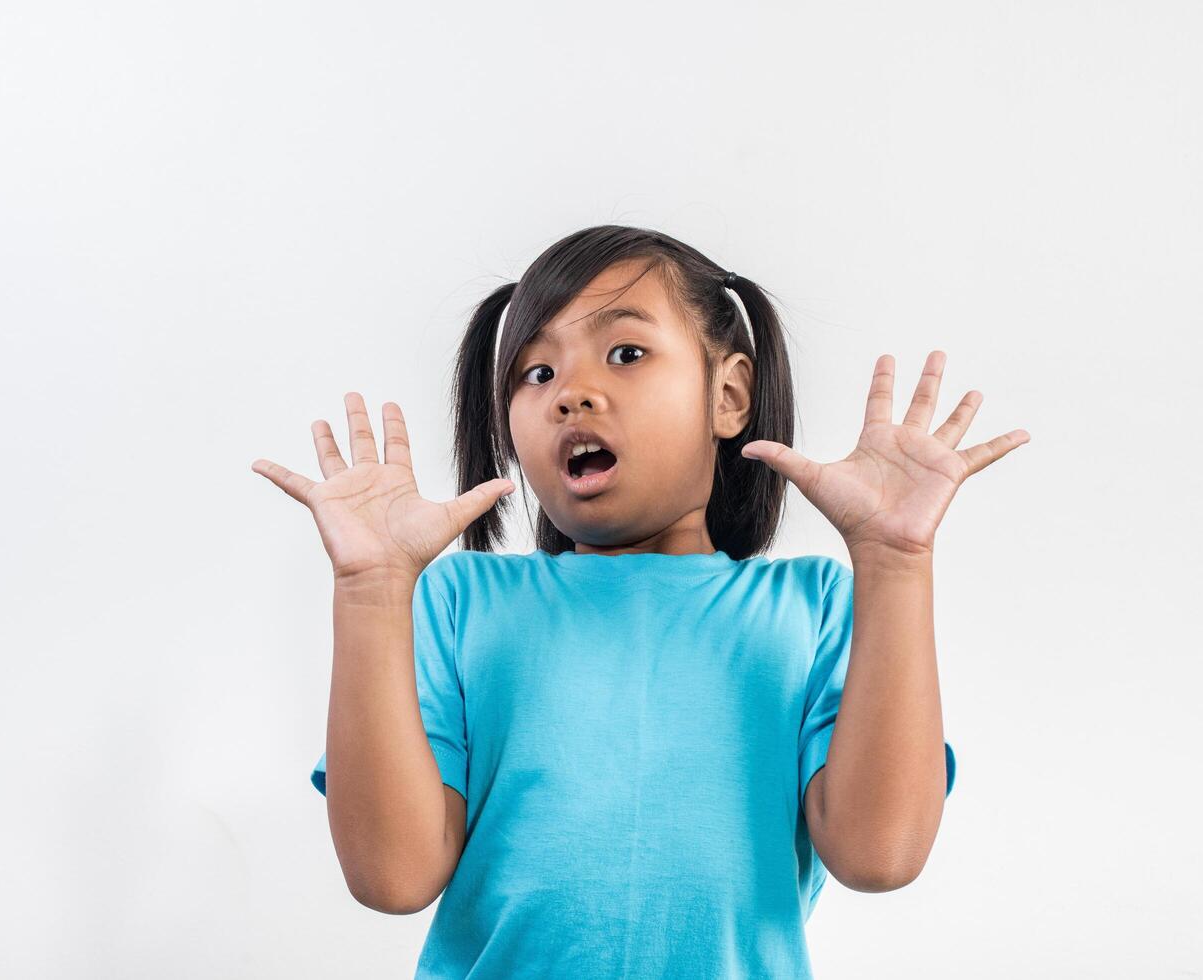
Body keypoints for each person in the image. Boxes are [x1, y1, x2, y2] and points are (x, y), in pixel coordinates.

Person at [250, 224, 1029, 978]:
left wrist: (894, 563)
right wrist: (370, 590)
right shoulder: (457, 599)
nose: (570, 395)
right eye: (535, 373)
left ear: (728, 395)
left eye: (625, 353)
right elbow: (392, 878)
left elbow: (879, 854)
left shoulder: (815, 604)